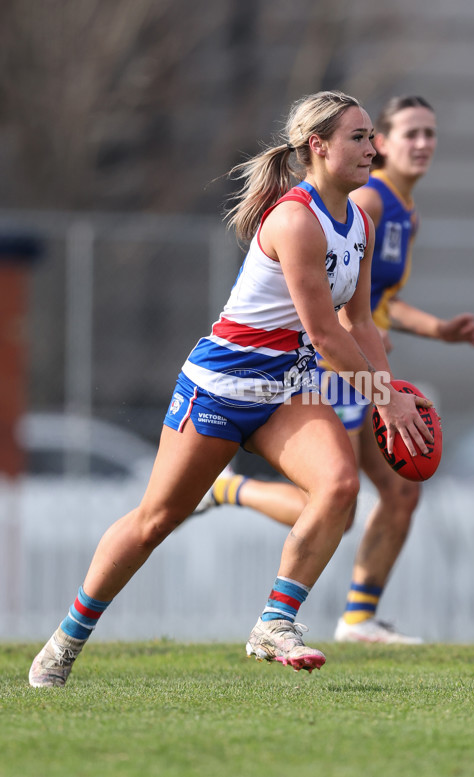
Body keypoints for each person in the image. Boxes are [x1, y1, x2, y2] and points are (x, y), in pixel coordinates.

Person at [29, 90, 435, 687]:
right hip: (222, 386)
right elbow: (325, 334)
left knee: (340, 485)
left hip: (287, 389)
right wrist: (383, 395)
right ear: (317, 147)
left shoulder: (362, 222)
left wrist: (392, 391)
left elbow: (360, 323)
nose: (373, 148)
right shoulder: (296, 219)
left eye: (373, 136)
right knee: (156, 520)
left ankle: (276, 621)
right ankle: (66, 641)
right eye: (359, 137)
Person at [193, 95, 474, 645]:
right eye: (406, 135)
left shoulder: (400, 213)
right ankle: (230, 492)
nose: (417, 145)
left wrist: (436, 331)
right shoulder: (366, 202)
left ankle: (358, 618)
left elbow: (374, 303)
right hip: (333, 365)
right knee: (336, 502)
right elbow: (332, 319)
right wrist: (379, 381)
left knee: (400, 492)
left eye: (430, 133)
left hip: (364, 365)